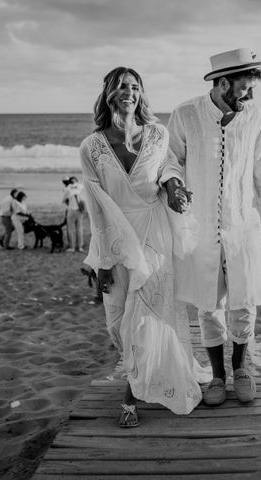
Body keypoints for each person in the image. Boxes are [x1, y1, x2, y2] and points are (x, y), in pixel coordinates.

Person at [80, 66, 207, 427]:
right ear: (109, 93)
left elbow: (168, 167)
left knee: (145, 315)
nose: (129, 92)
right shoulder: (91, 146)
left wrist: (172, 187)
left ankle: (130, 398)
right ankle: (144, 374)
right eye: (122, 86)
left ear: (141, 94)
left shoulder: (158, 133)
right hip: (117, 240)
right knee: (118, 323)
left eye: (135, 87)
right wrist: (102, 259)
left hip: (155, 231)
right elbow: (96, 208)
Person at [161, 48, 261, 407]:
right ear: (222, 83)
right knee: (207, 304)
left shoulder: (255, 117)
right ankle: (217, 376)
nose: (250, 95)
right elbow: (170, 160)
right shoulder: (185, 114)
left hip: (243, 223)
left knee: (244, 300)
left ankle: (242, 369)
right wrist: (173, 183)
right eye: (245, 88)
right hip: (198, 227)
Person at [61, 176, 86, 252]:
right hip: (79, 210)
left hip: (72, 210)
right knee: (79, 229)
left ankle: (72, 246)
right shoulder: (80, 187)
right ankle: (80, 246)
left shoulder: (68, 188)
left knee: (71, 229)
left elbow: (64, 199)